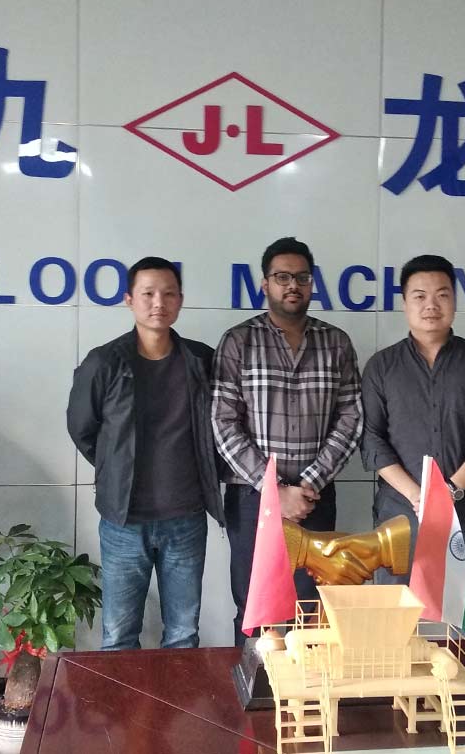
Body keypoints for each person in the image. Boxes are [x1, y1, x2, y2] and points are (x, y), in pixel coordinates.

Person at [67, 256, 223, 650]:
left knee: (183, 634)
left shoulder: (202, 361)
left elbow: (223, 427)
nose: (159, 303)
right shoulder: (104, 362)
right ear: (129, 299)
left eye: (169, 294)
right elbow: (82, 429)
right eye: (148, 293)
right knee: (118, 636)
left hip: (186, 518)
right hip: (124, 522)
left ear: (180, 300)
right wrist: (115, 467)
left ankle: (177, 696)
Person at [212, 236, 363, 644]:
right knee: (254, 607)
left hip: (315, 497)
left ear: (312, 284)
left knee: (309, 607)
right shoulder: (238, 341)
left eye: (301, 277)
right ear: (265, 284)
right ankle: (253, 684)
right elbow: (223, 422)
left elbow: (352, 418)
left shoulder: (336, 343)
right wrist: (275, 490)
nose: (292, 285)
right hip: (252, 498)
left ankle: (304, 686)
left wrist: (309, 484)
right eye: (282, 277)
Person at [360, 254, 465, 638]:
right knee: (393, 617)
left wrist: (449, 491)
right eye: (420, 296)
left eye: (442, 295)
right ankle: (394, 680)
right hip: (399, 512)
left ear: (454, 301)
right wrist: (418, 496)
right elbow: (372, 440)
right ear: (404, 303)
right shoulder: (381, 366)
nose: (431, 305)